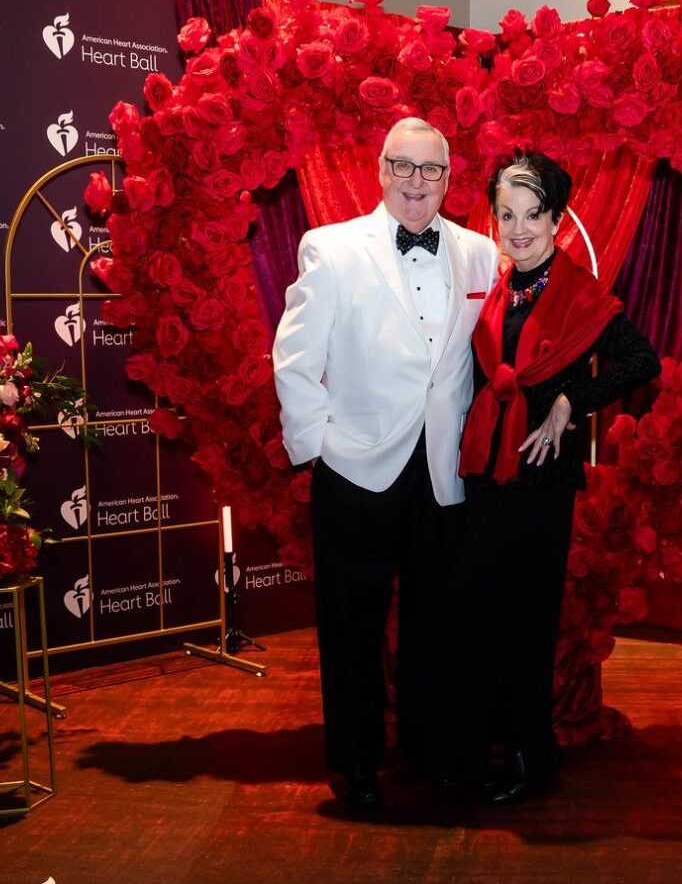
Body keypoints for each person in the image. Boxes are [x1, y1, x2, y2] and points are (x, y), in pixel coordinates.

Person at [273, 117, 500, 807]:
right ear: (380, 169)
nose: (416, 182)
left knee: (440, 625)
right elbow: (294, 359)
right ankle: (356, 764)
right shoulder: (333, 248)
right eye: (404, 166)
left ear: (450, 178)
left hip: (443, 470)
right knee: (351, 627)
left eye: (431, 170)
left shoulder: (480, 254)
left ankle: (438, 755)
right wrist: (322, 448)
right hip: (355, 468)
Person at [456, 150, 661, 804]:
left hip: (541, 482)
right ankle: (497, 740)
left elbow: (641, 359)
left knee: (528, 620)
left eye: (532, 215)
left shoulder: (578, 291)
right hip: (489, 472)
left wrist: (574, 398)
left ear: (556, 218)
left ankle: (531, 754)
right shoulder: (501, 286)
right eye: (506, 215)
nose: (518, 229)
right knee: (485, 612)